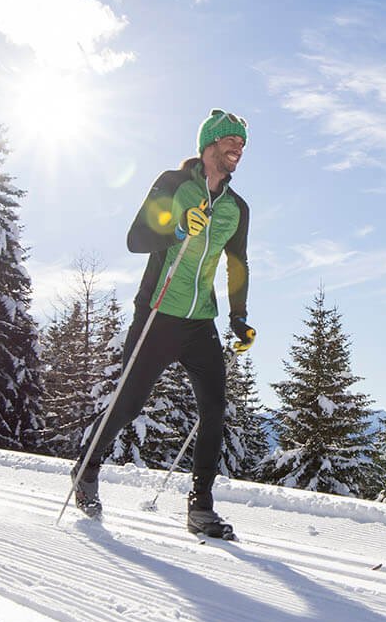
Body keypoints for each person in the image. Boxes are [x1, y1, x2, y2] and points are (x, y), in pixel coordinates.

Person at [73, 110, 255, 539]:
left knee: (214, 410)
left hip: (200, 322)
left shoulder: (236, 208)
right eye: (231, 140)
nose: (239, 148)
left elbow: (238, 263)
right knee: (130, 403)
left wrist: (239, 317)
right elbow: (136, 239)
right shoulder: (173, 185)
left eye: (243, 143)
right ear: (208, 145)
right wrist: (175, 230)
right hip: (158, 312)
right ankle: (87, 467)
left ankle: (201, 508)